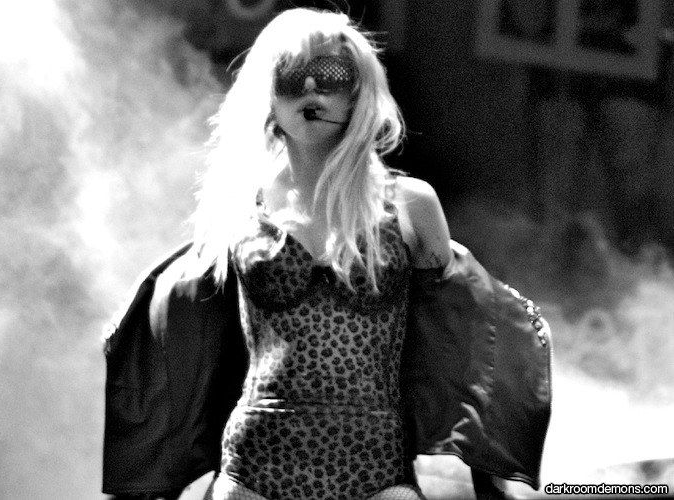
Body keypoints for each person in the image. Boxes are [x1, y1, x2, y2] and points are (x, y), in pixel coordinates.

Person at [101, 7, 551, 500]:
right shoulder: (237, 206)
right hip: (252, 472)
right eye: (292, 76)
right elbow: (185, 329)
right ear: (268, 96)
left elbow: (461, 337)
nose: (312, 88)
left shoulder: (410, 204)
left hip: (377, 474)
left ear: (358, 92)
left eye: (332, 73)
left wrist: (490, 473)